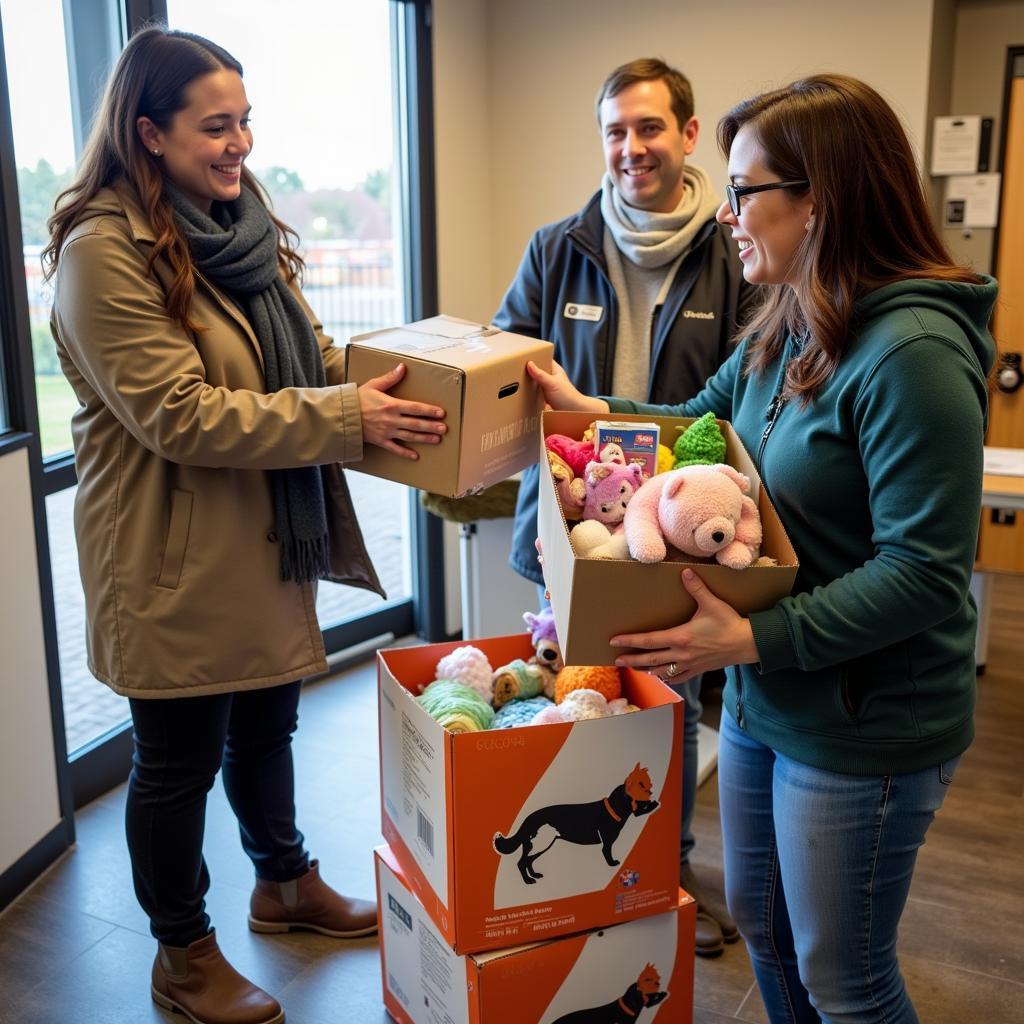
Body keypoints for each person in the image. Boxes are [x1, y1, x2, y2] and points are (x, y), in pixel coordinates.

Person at [527, 73, 995, 1023]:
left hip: (863, 721)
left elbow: (926, 573)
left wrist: (751, 640)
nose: (728, 211)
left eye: (745, 192)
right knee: (766, 932)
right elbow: (701, 425)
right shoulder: (788, 317)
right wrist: (596, 413)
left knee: (846, 980)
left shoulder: (913, 357)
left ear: (820, 200)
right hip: (761, 694)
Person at [44, 27, 447, 1024]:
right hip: (172, 561)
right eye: (215, 126)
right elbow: (177, 413)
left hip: (260, 540)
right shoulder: (104, 251)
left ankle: (284, 882)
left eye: (245, 122)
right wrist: (351, 417)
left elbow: (303, 353)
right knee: (176, 761)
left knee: (268, 723)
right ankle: (182, 955)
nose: (239, 146)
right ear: (149, 134)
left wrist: (415, 386)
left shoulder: (238, 225)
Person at [493, 57, 754, 957]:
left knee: (669, 709)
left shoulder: (735, 252)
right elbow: (507, 373)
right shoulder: (557, 246)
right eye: (615, 131)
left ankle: (663, 875)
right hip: (573, 535)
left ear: (688, 134)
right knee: (578, 700)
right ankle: (577, 877)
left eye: (649, 128)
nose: (631, 148)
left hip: (679, 537)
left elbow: (741, 408)